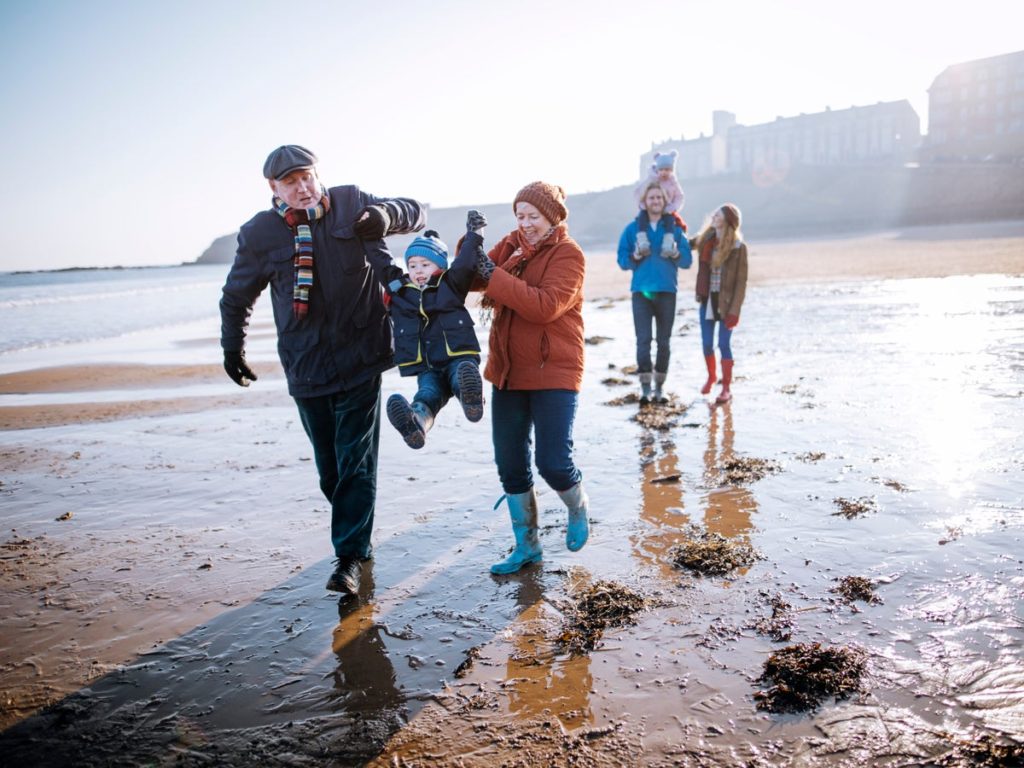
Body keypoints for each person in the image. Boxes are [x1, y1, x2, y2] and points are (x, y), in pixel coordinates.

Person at [219, 144, 425, 596]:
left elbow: (416, 211)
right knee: (331, 471)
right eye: (290, 182)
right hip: (305, 364)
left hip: (362, 356)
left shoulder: (351, 203)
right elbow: (236, 296)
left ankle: (349, 557)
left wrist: (385, 216)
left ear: (317, 174)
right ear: (273, 188)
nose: (303, 188)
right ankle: (356, 535)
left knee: (355, 461)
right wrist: (232, 348)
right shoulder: (259, 234)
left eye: (307, 177)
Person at [467, 181, 589, 575]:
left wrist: (493, 275)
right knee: (510, 464)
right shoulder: (511, 245)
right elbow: (471, 276)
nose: (525, 223)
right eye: (520, 215)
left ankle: (578, 506)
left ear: (551, 217)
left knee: (553, 463)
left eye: (533, 216)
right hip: (508, 371)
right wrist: (471, 244)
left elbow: (545, 306)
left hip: (554, 370)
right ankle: (527, 546)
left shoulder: (569, 254)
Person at [383, 222, 485, 449]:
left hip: (457, 356)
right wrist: (370, 235)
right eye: (412, 265)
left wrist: (475, 234)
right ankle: (416, 423)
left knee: (460, 376)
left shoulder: (450, 284)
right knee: (428, 394)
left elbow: (464, 263)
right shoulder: (401, 292)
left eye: (425, 264)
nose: (418, 270)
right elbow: (382, 263)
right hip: (428, 366)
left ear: (439, 266)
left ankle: (471, 399)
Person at [617, 183, 693, 404]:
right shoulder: (632, 230)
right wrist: (635, 256)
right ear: (644, 201)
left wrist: (675, 253)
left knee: (664, 342)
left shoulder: (675, 230)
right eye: (651, 198)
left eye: (659, 197)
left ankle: (660, 388)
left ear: (665, 201)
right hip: (641, 292)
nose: (656, 201)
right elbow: (622, 260)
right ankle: (645, 389)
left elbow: (687, 261)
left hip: (667, 291)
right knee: (643, 341)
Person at [691, 203, 748, 404]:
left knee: (723, 344)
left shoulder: (738, 247)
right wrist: (674, 224)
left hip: (727, 304)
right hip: (707, 300)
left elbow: (741, 282)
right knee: (707, 344)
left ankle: (726, 389)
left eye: (718, 215)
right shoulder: (705, 240)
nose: (714, 217)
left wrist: (735, 311)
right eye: (714, 214)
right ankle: (711, 377)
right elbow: (686, 243)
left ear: (728, 221)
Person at [633, 149, 686, 233]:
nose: (664, 172)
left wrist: (673, 207)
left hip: (667, 210)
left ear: (671, 171)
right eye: (661, 170)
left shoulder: (673, 182)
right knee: (642, 218)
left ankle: (669, 238)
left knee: (673, 222)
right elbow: (639, 192)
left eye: (667, 170)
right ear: (657, 170)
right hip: (650, 210)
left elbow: (679, 196)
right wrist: (644, 206)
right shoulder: (651, 179)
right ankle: (642, 236)